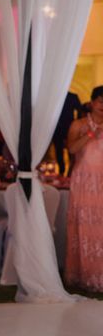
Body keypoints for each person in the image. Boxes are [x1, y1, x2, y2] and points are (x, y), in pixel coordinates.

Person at [65, 85, 103, 291]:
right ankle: (86, 276)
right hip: (85, 182)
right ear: (91, 103)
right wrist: (89, 134)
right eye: (100, 101)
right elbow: (71, 149)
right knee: (86, 228)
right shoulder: (78, 124)